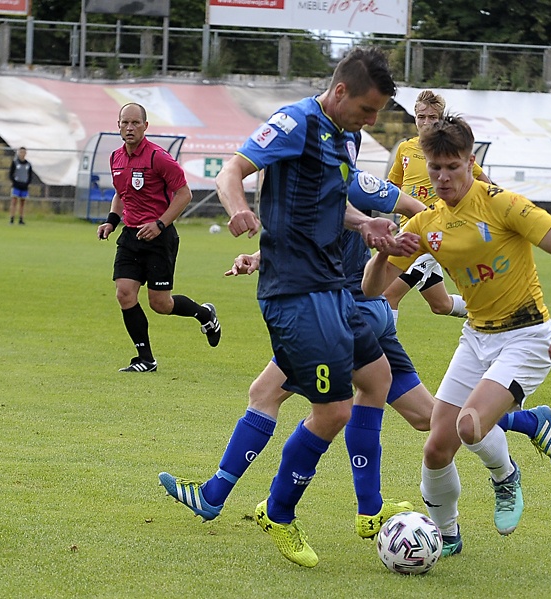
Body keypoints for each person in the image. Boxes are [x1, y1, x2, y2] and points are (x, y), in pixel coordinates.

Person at [158, 173, 551, 555]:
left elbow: (409, 211)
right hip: (367, 313)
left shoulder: (344, 179)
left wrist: (421, 252)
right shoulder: (330, 177)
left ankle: (219, 495)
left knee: (268, 394)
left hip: (338, 314)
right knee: (428, 416)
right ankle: (526, 423)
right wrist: (259, 257)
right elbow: (310, 241)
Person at [212, 47, 419, 568]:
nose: (372, 122)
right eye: (368, 110)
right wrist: (238, 212)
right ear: (341, 91)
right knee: (332, 409)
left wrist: (363, 224)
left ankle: (367, 509)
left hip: (332, 290)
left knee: (376, 380)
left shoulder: (345, 135)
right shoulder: (295, 122)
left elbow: (332, 200)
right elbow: (230, 172)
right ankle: (278, 512)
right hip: (297, 291)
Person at [362, 115, 551, 557]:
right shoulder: (426, 223)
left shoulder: (504, 205)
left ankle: (505, 477)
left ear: (470, 162)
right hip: (476, 337)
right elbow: (372, 290)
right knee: (435, 449)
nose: (443, 177)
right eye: (435, 167)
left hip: (526, 336)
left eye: (452, 167)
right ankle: (446, 535)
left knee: (469, 424)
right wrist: (382, 254)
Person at [96, 102, 221, 373]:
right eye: (124, 123)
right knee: (124, 294)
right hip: (130, 236)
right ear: (118, 126)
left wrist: (160, 224)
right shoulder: (116, 157)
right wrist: (111, 221)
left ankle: (205, 314)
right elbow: (121, 193)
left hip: (159, 238)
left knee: (160, 304)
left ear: (145, 126)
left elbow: (184, 194)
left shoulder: (158, 157)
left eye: (135, 123)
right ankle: (145, 359)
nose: (129, 128)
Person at [385, 90, 492, 323]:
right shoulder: (405, 149)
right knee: (441, 305)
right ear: (415, 117)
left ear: (440, 119)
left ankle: (387, 356)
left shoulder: (451, 152)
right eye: (421, 116)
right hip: (407, 232)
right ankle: (491, 310)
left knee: (387, 295)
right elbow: (392, 187)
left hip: (433, 235)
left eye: (432, 117)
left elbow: (488, 186)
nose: (426, 122)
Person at [8, 147, 32, 225]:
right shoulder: (15, 163)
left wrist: (27, 183)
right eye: (21, 152)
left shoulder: (28, 164)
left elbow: (30, 176)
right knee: (14, 202)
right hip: (16, 185)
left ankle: (21, 219)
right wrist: (15, 182)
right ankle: (12, 219)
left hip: (24, 186)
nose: (22, 154)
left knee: (22, 203)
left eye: (24, 152)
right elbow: (11, 174)